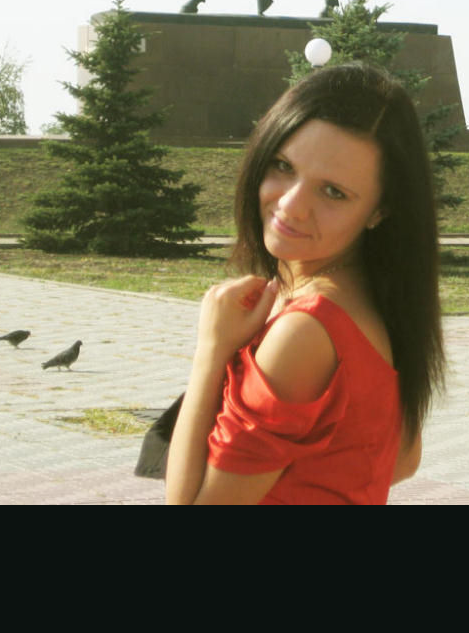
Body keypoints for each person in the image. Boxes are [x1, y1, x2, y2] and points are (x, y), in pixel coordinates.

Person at [166, 62, 444, 504]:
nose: (292, 205)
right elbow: (402, 458)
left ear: (379, 211)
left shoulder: (306, 331)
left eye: (333, 192)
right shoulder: (380, 301)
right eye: (283, 166)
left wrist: (211, 350)